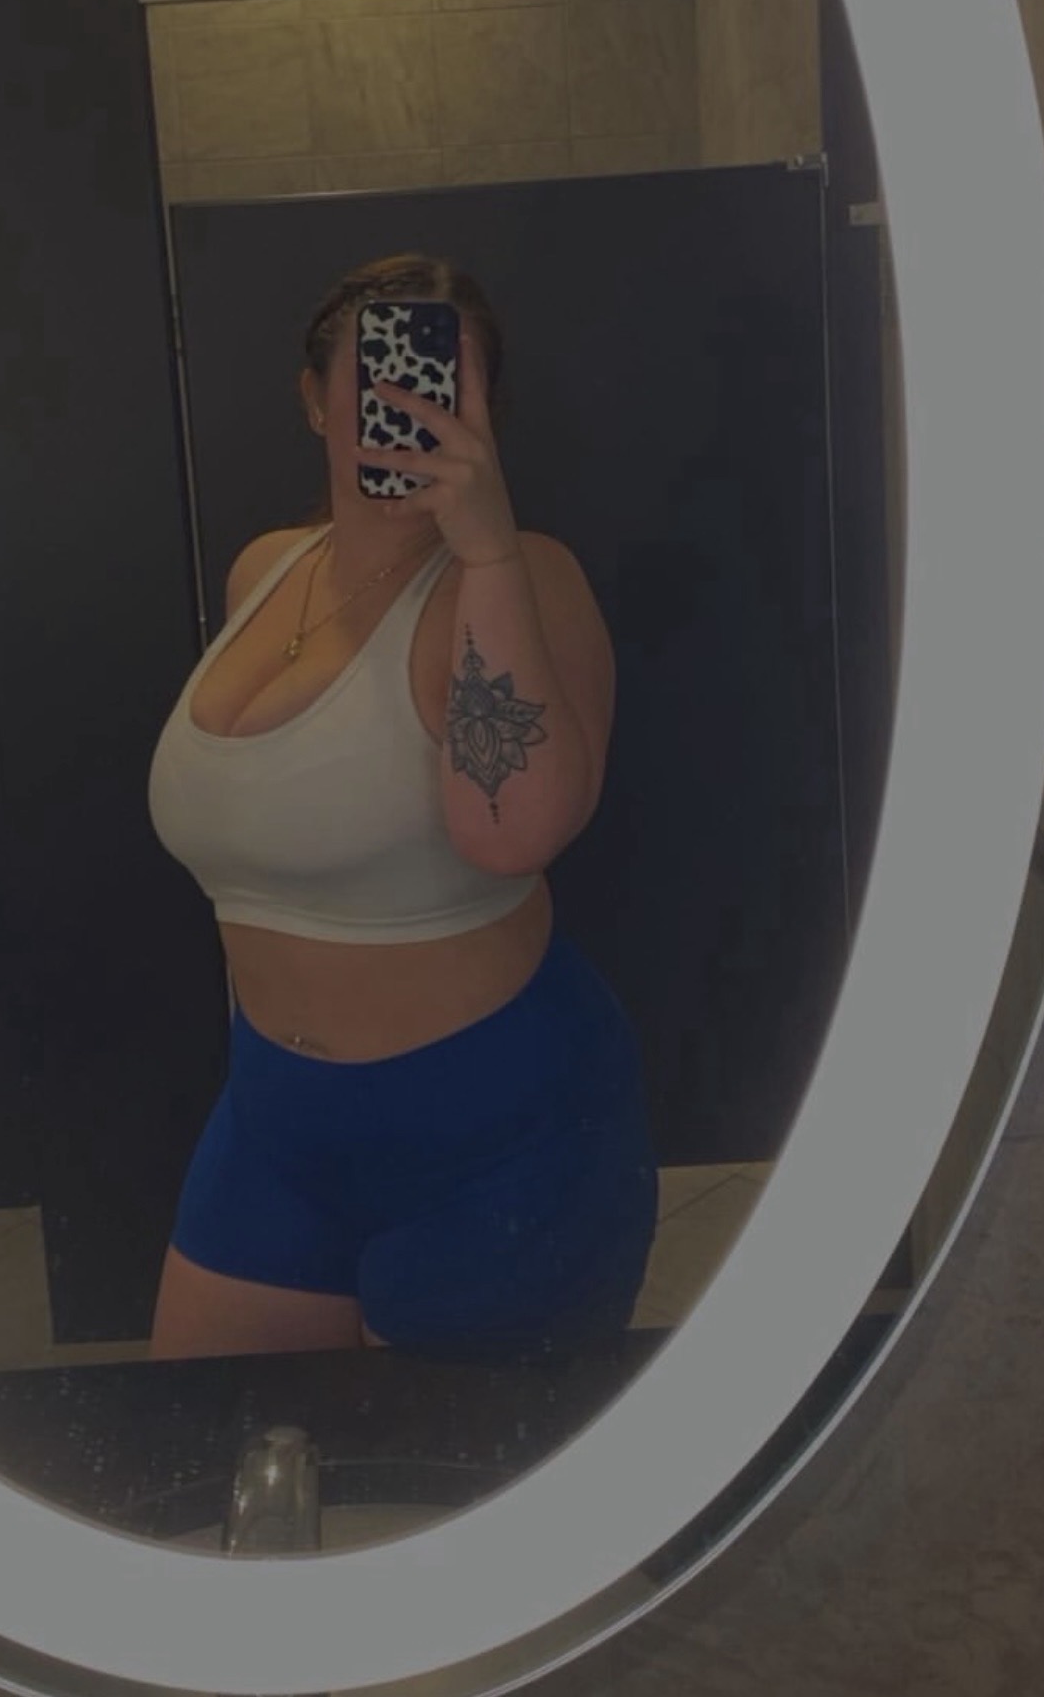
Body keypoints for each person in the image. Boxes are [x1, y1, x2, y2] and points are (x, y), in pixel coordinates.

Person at [147, 252, 658, 1359]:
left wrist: (486, 548)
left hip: (499, 1136)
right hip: (274, 1123)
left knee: (460, 1470)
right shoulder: (263, 573)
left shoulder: (528, 576)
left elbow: (512, 831)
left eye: (444, 382)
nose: (410, 403)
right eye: (380, 376)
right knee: (205, 1444)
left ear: (485, 410)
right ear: (312, 399)